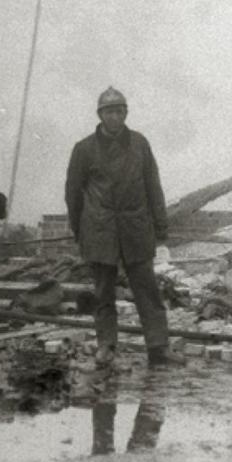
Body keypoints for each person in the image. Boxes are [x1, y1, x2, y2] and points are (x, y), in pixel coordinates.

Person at [65, 87, 182, 368]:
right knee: (103, 292)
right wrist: (81, 230)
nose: (114, 117)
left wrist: (160, 224)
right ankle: (106, 346)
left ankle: (158, 347)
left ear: (126, 113)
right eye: (109, 112)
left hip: (135, 228)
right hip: (100, 229)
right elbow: (73, 194)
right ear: (100, 115)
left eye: (119, 111)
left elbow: (153, 186)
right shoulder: (84, 149)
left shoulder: (139, 144)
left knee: (147, 290)